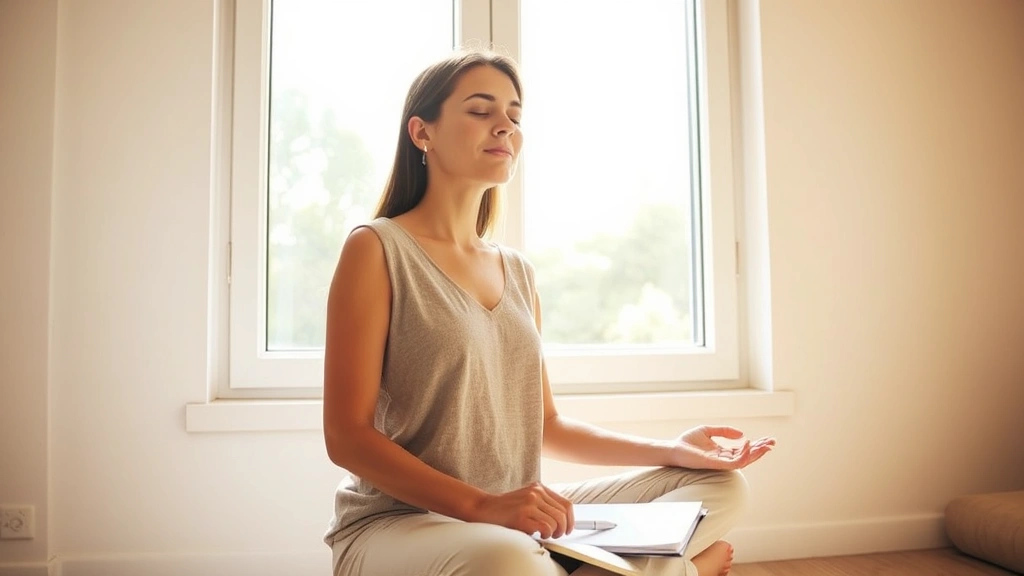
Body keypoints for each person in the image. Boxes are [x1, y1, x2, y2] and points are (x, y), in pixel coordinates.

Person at [322, 48, 776, 576]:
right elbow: (347, 437)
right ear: (422, 132)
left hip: (512, 517)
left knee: (720, 486)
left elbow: (546, 425)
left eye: (514, 116)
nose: (505, 128)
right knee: (508, 558)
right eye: (480, 111)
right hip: (400, 523)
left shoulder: (517, 271)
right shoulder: (376, 249)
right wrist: (483, 507)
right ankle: (679, 569)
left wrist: (673, 451)